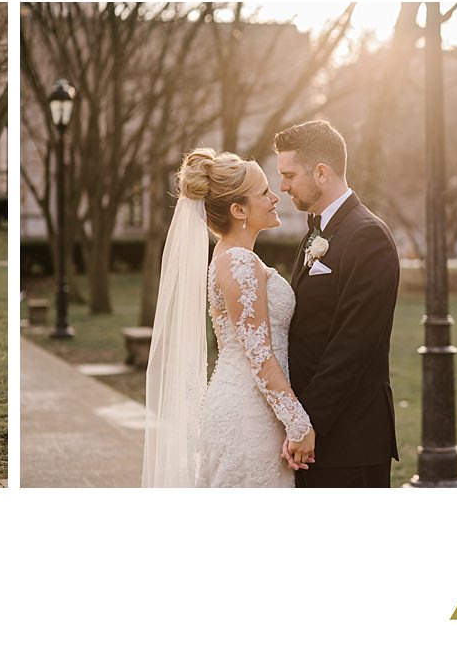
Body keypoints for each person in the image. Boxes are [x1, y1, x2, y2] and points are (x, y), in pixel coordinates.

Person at [143, 148, 315, 488]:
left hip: (251, 408)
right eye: (264, 193)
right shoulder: (239, 263)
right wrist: (299, 424)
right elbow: (259, 356)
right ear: (239, 210)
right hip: (248, 417)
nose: (274, 198)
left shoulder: (233, 258)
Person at [276, 120, 401, 488]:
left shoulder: (368, 236)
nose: (282, 186)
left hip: (351, 439)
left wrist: (307, 421)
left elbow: (354, 344)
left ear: (321, 172)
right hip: (318, 436)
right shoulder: (318, 231)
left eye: (289, 175)